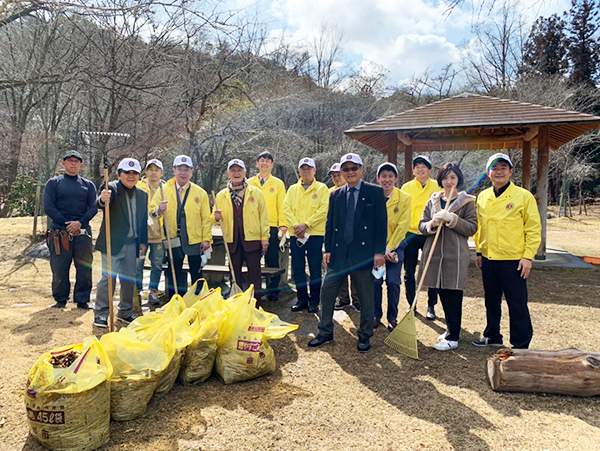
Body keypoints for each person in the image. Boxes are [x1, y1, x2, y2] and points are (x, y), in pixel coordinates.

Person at [309, 153, 387, 353]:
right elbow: (330, 223)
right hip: (338, 253)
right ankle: (325, 332)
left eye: (354, 168)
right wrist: (327, 248)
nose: (350, 172)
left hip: (363, 254)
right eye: (346, 169)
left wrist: (379, 252)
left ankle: (364, 335)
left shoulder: (375, 192)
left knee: (366, 296)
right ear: (341, 171)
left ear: (361, 169)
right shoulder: (335, 194)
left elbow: (381, 224)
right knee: (327, 293)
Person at [473, 153, 541, 349]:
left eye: (503, 167)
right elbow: (480, 227)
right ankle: (492, 336)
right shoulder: (483, 197)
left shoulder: (523, 196)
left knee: (517, 303)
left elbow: (533, 229)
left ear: (511, 171)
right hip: (488, 258)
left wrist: (528, 256)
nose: (499, 171)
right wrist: (479, 252)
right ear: (488, 173)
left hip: (514, 260)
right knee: (491, 300)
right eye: (494, 168)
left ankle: (520, 343)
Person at [418, 163, 477, 351]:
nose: (449, 181)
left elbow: (472, 228)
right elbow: (421, 225)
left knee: (453, 293)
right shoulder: (433, 200)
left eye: (453, 177)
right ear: (440, 180)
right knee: (442, 291)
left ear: (458, 179)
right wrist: (431, 224)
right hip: (434, 254)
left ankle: (453, 337)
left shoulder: (466, 201)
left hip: (455, 254)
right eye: (445, 178)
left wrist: (453, 220)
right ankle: (451, 329)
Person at [94, 158, 148, 327]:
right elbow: (100, 203)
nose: (131, 176)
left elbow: (142, 221)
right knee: (108, 278)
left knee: (128, 279)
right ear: (119, 174)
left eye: (135, 173)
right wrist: (103, 199)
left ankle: (125, 312)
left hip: (132, 244)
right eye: (127, 173)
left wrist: (143, 242)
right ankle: (101, 313)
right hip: (113, 243)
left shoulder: (142, 195)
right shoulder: (111, 189)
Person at [151, 155, 212, 301]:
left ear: (192, 171)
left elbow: (206, 219)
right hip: (172, 239)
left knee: (196, 273)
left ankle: (199, 300)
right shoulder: (163, 190)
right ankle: (176, 301)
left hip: (194, 239)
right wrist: (159, 209)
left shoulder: (200, 193)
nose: (183, 173)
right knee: (174, 272)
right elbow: (151, 211)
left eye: (186, 169)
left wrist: (206, 239)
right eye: (179, 169)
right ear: (173, 170)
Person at [43, 150, 97, 309]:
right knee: (59, 268)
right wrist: (67, 223)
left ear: (81, 165)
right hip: (59, 233)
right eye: (70, 161)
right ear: (63, 163)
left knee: (84, 268)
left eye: (76, 161)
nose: (73, 163)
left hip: (82, 233)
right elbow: (49, 207)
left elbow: (93, 207)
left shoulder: (88, 185)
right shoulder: (53, 183)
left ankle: (82, 300)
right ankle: (60, 299)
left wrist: (79, 223)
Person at [214, 159, 270, 305]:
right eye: (233, 170)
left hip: (252, 240)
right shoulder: (221, 195)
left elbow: (263, 216)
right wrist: (215, 216)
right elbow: (213, 217)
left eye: (239, 170)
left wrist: (265, 237)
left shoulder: (256, 193)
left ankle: (256, 304)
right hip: (232, 241)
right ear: (228, 174)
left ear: (245, 173)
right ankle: (237, 304)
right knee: (234, 275)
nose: (236, 173)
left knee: (254, 275)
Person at [283, 157, 329, 313]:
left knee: (315, 268)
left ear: (314, 170)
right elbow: (286, 209)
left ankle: (314, 301)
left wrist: (306, 224)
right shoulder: (292, 189)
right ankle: (302, 299)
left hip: (314, 233)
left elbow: (323, 210)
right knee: (298, 268)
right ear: (299, 171)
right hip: (296, 234)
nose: (306, 171)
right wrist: (296, 225)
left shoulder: (322, 188)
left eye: (309, 168)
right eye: (303, 168)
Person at [401, 155, 442, 320]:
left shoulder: (437, 187)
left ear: (430, 170)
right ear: (413, 170)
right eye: (417, 166)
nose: (420, 169)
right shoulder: (406, 187)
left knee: (430, 271)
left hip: (429, 232)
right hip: (410, 233)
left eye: (423, 166)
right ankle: (412, 305)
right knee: (409, 271)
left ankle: (431, 306)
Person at [374, 162, 411, 332]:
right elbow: (369, 225)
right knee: (375, 281)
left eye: (390, 176)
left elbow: (403, 226)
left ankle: (392, 317)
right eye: (383, 176)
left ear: (396, 179)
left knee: (393, 282)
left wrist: (390, 248)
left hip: (396, 249)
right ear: (378, 178)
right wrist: (380, 250)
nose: (386, 180)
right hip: (376, 251)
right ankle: (375, 315)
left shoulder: (405, 198)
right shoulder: (372, 196)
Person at [248, 151, 287, 301]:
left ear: (272, 165)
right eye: (261, 161)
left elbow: (281, 205)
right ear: (257, 164)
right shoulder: (249, 182)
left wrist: (282, 224)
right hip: (252, 225)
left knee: (272, 259)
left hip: (271, 225)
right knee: (253, 258)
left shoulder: (278, 184)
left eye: (267, 161)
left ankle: (274, 290)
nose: (264, 163)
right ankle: (255, 289)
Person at [328, 162, 361, 311]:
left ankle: (357, 299)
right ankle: (343, 298)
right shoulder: (331, 193)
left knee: (355, 269)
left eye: (338, 175)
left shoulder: (357, 191)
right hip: (337, 238)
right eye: (333, 176)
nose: (336, 178)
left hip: (354, 237)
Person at [135, 159, 165, 306]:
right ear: (146, 171)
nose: (153, 172)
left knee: (157, 263)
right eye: (150, 169)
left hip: (159, 234)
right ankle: (137, 291)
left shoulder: (166, 188)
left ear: (161, 173)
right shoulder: (138, 186)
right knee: (138, 263)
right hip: (141, 233)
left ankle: (153, 291)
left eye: (156, 170)